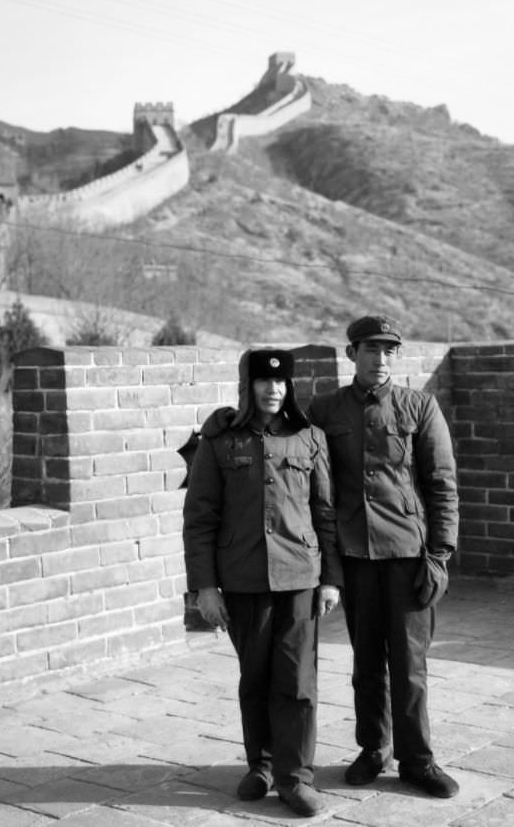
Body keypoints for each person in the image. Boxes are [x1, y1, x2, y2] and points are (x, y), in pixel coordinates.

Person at [182, 348, 343, 818]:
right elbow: (199, 519)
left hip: (299, 577)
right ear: (246, 385)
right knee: (253, 678)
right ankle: (262, 765)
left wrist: (331, 579)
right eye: (263, 381)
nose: (274, 390)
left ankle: (296, 779)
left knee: (297, 681)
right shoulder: (219, 440)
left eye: (282, 383)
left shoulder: (309, 437)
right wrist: (205, 587)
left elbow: (326, 512)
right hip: (242, 578)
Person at [307, 315, 459, 798]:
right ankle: (374, 749)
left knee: (410, 664)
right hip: (354, 555)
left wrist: (439, 555)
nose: (381, 359)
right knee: (366, 661)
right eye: (371, 350)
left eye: (390, 351)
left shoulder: (419, 406)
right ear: (351, 354)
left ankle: (418, 760)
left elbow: (442, 486)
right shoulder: (326, 410)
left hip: (408, 554)